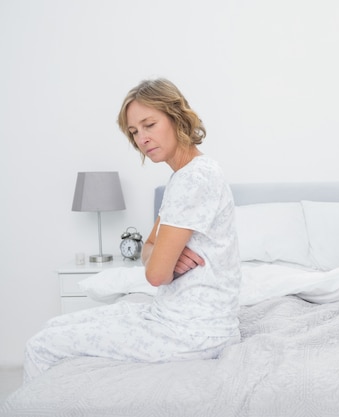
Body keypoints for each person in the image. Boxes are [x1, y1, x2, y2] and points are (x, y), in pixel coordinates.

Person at [23, 78, 242, 382]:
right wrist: (161, 256)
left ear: (176, 116)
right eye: (134, 132)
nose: (142, 138)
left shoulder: (195, 178)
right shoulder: (183, 177)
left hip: (193, 332)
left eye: (149, 124)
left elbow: (154, 275)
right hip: (172, 318)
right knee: (53, 328)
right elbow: (148, 248)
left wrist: (158, 261)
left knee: (41, 346)